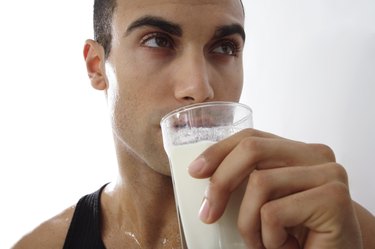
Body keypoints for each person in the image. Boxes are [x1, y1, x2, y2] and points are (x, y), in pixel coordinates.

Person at [12, 0, 375, 248]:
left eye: (225, 47)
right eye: (158, 41)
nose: (200, 88)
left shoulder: (326, 226)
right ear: (96, 67)